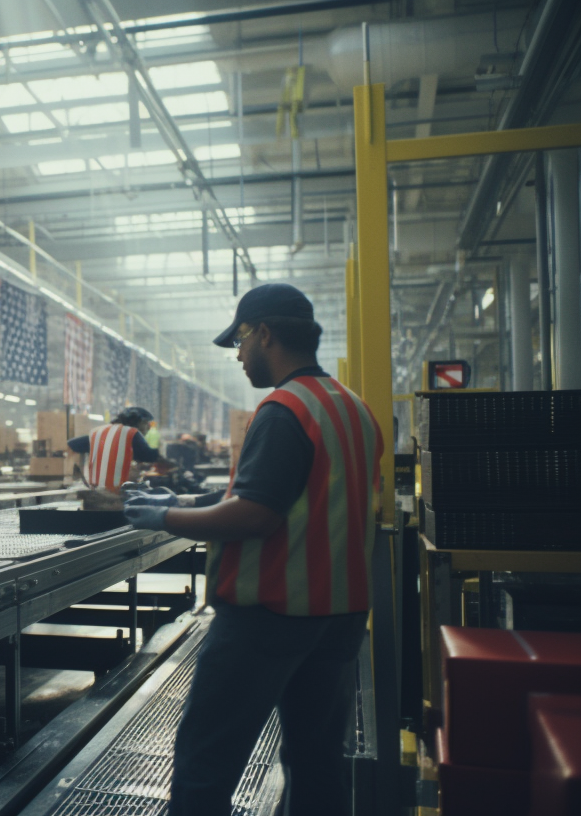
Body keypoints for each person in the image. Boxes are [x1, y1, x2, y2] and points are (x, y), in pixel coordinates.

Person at [121, 283, 383, 816]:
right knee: (316, 760)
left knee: (206, 761)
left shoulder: (284, 409)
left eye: (239, 342)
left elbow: (256, 515)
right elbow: (298, 489)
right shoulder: (354, 408)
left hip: (271, 612)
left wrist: (167, 517)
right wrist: (194, 498)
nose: (239, 356)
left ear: (263, 334)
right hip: (340, 614)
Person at [65, 407, 160, 509]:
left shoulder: (97, 432)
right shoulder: (132, 433)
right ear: (138, 421)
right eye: (146, 424)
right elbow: (150, 456)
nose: (148, 428)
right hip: (118, 499)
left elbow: (71, 444)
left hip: (94, 496)